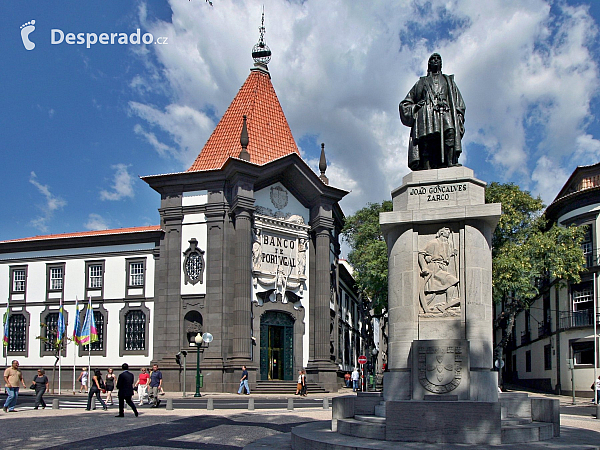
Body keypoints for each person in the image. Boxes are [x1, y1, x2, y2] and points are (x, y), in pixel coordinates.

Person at [400, 53, 465, 171]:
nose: (435, 61)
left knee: (450, 131)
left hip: (445, 111)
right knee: (427, 138)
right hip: (426, 113)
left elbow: (458, 102)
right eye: (433, 59)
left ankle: (450, 162)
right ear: (429, 64)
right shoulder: (421, 82)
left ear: (441, 63)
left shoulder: (448, 81)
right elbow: (405, 103)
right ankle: (426, 165)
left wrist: (459, 116)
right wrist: (415, 107)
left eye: (438, 59)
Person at [418, 227, 460, 314]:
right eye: (446, 230)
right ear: (441, 232)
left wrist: (452, 253)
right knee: (451, 281)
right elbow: (421, 254)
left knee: (433, 292)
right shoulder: (433, 243)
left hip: (443, 266)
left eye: (449, 230)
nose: (448, 232)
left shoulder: (449, 243)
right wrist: (424, 268)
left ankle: (445, 306)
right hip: (434, 268)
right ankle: (447, 305)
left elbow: (445, 256)